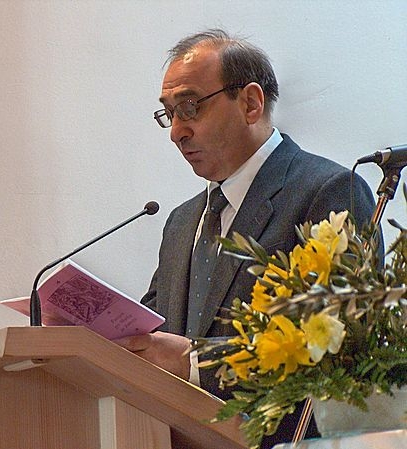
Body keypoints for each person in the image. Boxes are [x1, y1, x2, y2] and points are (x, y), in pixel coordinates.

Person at [115, 30, 379, 448]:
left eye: (190, 107)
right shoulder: (181, 222)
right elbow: (156, 332)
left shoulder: (329, 193)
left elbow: (339, 343)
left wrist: (193, 361)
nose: (176, 131)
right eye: (169, 113)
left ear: (251, 103)